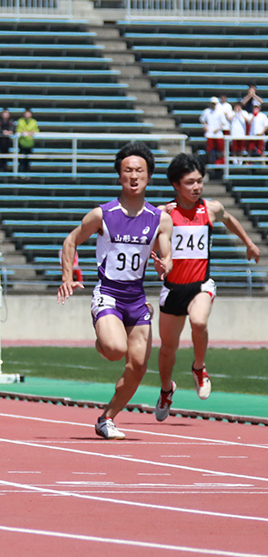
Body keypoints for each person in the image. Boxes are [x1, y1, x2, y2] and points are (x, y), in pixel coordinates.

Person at [57, 142, 172, 440]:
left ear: (149, 175)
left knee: (137, 367)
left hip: (137, 298)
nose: (134, 176)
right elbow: (70, 241)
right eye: (127, 170)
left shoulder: (160, 218)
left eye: (139, 171)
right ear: (119, 175)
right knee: (115, 350)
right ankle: (103, 343)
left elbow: (167, 254)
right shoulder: (102, 214)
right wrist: (67, 277)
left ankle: (107, 418)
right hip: (108, 293)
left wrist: (164, 266)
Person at [154, 154, 260, 420]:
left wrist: (248, 242)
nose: (196, 187)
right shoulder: (163, 214)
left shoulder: (210, 209)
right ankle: (167, 389)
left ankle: (199, 368)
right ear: (176, 185)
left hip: (201, 284)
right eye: (190, 183)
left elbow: (230, 220)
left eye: (199, 181)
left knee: (199, 322)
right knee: (168, 348)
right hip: (172, 289)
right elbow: (145, 241)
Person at [200, 97, 225, 166]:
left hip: (218, 134)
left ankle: (219, 162)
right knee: (209, 149)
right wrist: (205, 127)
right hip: (210, 134)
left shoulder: (220, 112)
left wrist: (218, 128)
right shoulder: (206, 111)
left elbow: (223, 123)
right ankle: (210, 162)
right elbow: (202, 120)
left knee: (220, 149)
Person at [16, 108, 38, 175]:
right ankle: (21, 175)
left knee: (28, 160)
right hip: (22, 143)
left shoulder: (34, 122)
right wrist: (27, 133)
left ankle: (27, 174)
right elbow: (19, 130)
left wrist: (29, 133)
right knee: (21, 161)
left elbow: (36, 131)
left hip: (30, 144)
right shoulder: (20, 121)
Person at [0, 108, 14, 173]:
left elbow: (13, 128)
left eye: (7, 113)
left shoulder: (11, 121)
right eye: (4, 113)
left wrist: (10, 132)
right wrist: (2, 132)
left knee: (5, 157)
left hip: (7, 142)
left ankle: (5, 170)